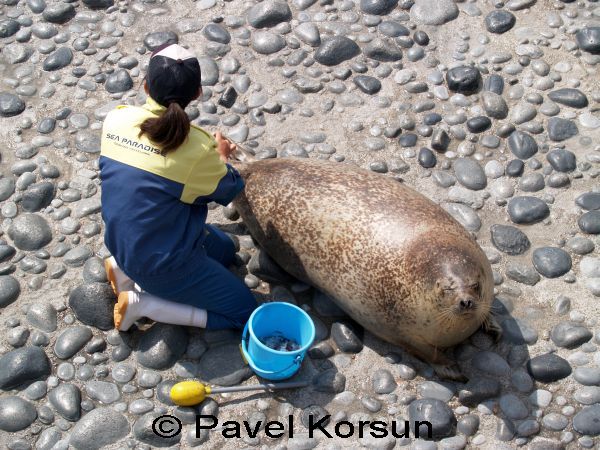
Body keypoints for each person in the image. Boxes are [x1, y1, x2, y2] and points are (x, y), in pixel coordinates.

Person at [99, 43, 257, 332]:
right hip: (162, 265)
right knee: (246, 314)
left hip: (121, 240)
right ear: (197, 93)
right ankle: (143, 303)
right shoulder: (197, 148)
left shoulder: (117, 118)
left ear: (146, 86)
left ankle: (122, 267)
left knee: (225, 251)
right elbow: (229, 187)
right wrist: (220, 156)